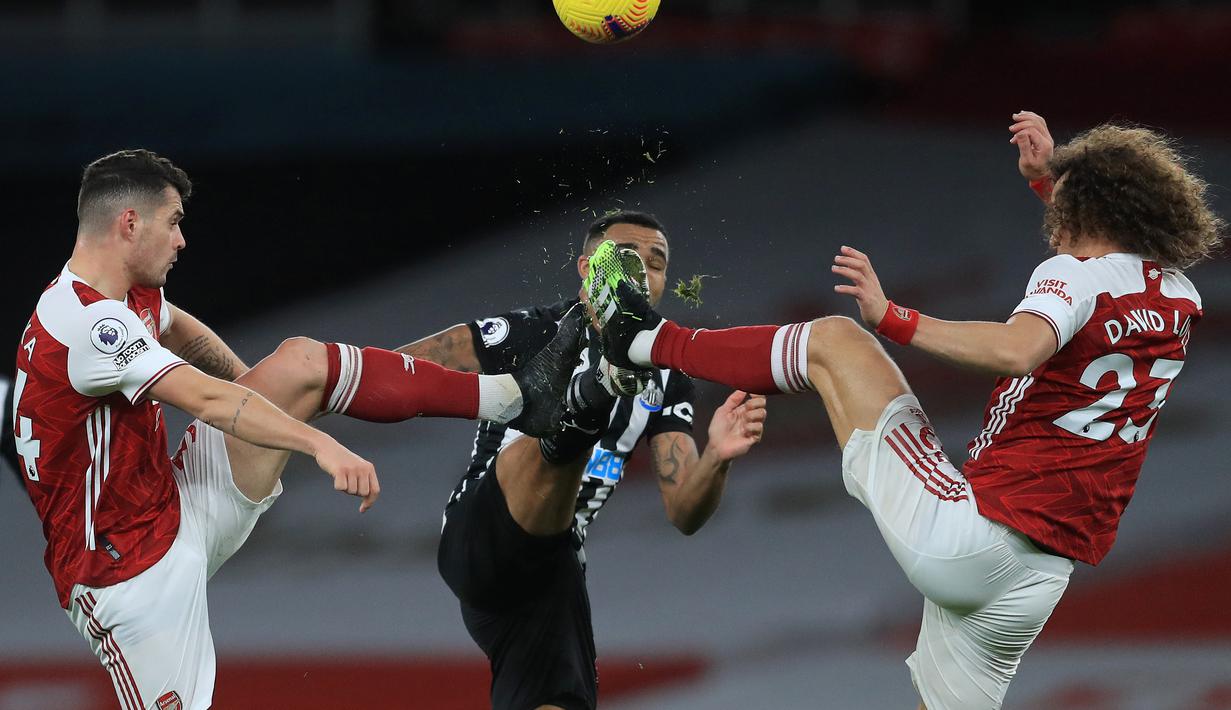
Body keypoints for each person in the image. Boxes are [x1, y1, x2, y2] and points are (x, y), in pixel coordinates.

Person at [587, 113, 1222, 709]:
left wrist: (896, 318)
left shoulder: (1075, 275)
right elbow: (1111, 273)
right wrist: (1053, 181)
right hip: (1039, 578)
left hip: (976, 534)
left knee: (840, 343)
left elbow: (1019, 348)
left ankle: (643, 340)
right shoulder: (1178, 295)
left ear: (1086, 209)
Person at [12, 149, 580, 710]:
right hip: (123, 575)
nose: (182, 239)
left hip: (177, 500)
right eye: (174, 222)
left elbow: (180, 330)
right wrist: (318, 444)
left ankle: (517, 398)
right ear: (129, 224)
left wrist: (264, 392)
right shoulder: (89, 326)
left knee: (300, 364)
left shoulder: (122, 291)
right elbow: (207, 401)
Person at [397, 211, 768, 710]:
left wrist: (718, 456)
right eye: (624, 257)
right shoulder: (533, 331)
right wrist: (310, 391)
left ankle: (595, 390)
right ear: (586, 268)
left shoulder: (668, 379)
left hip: (553, 567)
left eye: (655, 263)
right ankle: (590, 394)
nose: (642, 271)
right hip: (483, 532)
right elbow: (400, 369)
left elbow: (684, 512)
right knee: (557, 444)